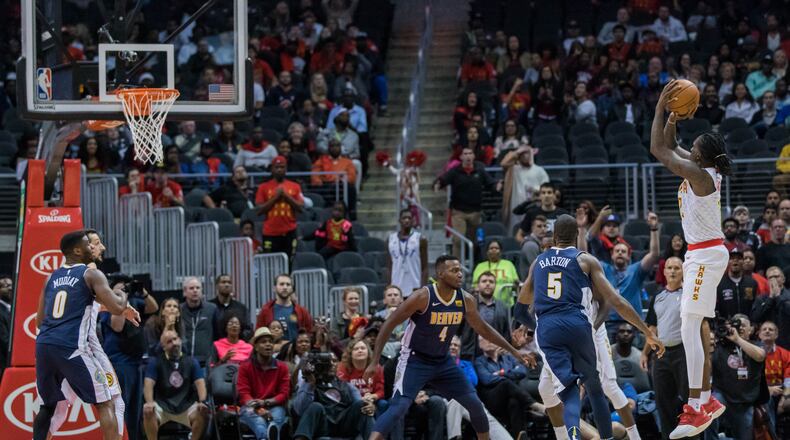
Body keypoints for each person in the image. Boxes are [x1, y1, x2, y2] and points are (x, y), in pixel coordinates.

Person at [514, 215, 664, 440]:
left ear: (554, 237)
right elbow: (617, 301)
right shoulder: (586, 260)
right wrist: (648, 332)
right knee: (594, 389)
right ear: (576, 236)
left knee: (568, 391)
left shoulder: (539, 262)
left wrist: (537, 327)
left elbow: (519, 310)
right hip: (579, 326)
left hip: (551, 328)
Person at [365, 255, 534, 440]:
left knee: (475, 404)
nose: (460, 274)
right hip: (415, 359)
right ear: (440, 274)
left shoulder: (466, 299)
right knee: (399, 407)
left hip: (442, 361)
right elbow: (389, 324)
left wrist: (513, 351)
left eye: (461, 270)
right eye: (454, 270)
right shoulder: (423, 297)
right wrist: (374, 361)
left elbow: (483, 328)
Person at [649, 79, 732, 438]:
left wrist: (658, 107)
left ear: (700, 156)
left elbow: (658, 150)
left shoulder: (699, 175)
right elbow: (670, 144)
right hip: (702, 254)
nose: (690, 145)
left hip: (705, 255)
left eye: (694, 145)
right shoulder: (701, 167)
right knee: (690, 326)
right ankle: (704, 401)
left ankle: (699, 405)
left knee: (688, 327)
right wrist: (672, 118)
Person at [33, 231, 136, 440]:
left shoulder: (50, 278)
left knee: (49, 407)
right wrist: (123, 291)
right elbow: (117, 307)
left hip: (44, 346)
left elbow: (39, 321)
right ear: (78, 250)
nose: (92, 248)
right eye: (89, 245)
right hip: (73, 347)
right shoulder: (91, 274)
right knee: (106, 401)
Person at [643, 256, 689, 439]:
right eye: (669, 267)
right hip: (661, 354)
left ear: (683, 271)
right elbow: (652, 328)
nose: (672, 271)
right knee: (663, 402)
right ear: (664, 271)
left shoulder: (688, 295)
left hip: (683, 352)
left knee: (688, 401)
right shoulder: (658, 297)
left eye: (677, 268)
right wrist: (645, 353)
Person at [143, 330, 209, 440]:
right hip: (162, 405)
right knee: (148, 411)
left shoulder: (192, 362)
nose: (174, 343)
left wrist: (202, 401)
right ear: (163, 347)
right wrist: (149, 403)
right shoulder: (155, 362)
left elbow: (200, 383)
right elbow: (148, 384)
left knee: (202, 412)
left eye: (175, 339)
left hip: (186, 405)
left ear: (180, 340)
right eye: (169, 341)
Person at [292, 352, 374, 439]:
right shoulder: (309, 384)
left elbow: (359, 403)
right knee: (315, 406)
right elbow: (299, 410)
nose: (331, 364)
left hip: (345, 425)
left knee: (363, 405)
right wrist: (310, 384)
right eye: (327, 362)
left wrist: (369, 406)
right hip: (323, 426)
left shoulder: (347, 385)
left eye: (334, 361)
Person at [709, 314, 766, 440]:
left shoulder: (757, 344)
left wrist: (737, 340)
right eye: (736, 324)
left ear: (751, 329)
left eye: (743, 325)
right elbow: (708, 369)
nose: (739, 327)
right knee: (709, 411)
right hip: (723, 396)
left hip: (744, 402)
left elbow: (760, 356)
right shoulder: (721, 345)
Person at [237, 327, 291, 440]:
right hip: (250, 406)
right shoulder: (245, 367)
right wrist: (259, 409)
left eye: (270, 341)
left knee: (274, 421)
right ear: (256, 347)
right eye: (263, 342)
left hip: (274, 406)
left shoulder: (282, 367)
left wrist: (266, 403)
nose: (268, 344)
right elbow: (244, 393)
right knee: (259, 422)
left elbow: (284, 393)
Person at [255, 156, 304, 256]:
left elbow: (300, 208)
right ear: (272, 169)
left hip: (289, 232)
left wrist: (286, 196)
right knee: (270, 264)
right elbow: (259, 210)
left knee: (289, 264)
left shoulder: (295, 186)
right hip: (270, 232)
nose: (279, 170)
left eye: (282, 167)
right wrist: (276, 197)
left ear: (286, 169)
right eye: (276, 167)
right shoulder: (263, 187)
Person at [458, 272, 512, 360]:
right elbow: (458, 331)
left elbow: (506, 334)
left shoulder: (502, 307)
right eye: (484, 281)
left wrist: (504, 348)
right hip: (471, 355)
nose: (488, 284)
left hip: (495, 357)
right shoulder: (468, 304)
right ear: (477, 286)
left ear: (495, 285)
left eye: (491, 282)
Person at [500, 145, 549, 232]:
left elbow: (546, 189)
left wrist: (535, 189)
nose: (525, 156)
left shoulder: (539, 170)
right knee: (515, 232)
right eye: (522, 154)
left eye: (527, 153)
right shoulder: (514, 169)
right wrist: (517, 151)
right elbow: (503, 163)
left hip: (535, 207)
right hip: (516, 208)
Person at [256, 274, 313, 342]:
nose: (285, 287)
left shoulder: (302, 311)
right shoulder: (266, 311)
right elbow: (258, 335)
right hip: (272, 351)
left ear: (292, 289)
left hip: (295, 351)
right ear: (274, 288)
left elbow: (309, 334)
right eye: (281, 284)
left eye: (288, 284)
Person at [338, 339, 386, 416]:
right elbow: (343, 390)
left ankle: (380, 427)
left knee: (383, 404)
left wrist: (372, 397)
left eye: (363, 348)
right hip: (352, 401)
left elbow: (381, 390)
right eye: (356, 349)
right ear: (350, 354)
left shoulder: (376, 367)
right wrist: (362, 400)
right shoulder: (343, 367)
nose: (360, 350)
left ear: (368, 352)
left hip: (371, 400)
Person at [387, 209, 428, 298]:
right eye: (404, 218)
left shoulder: (420, 239)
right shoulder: (390, 239)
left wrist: (423, 287)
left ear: (413, 220)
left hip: (415, 286)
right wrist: (388, 286)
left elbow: (425, 267)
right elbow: (389, 265)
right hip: (396, 286)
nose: (406, 220)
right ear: (399, 220)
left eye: (409, 218)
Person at [179, 277, 219, 366]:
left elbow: (217, 334)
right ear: (185, 292)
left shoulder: (212, 309)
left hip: (206, 361)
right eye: (191, 288)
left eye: (198, 288)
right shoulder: (179, 310)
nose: (195, 291)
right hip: (183, 359)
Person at [757, 321, 790, 427]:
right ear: (759, 334)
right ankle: (772, 436)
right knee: (767, 398)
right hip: (760, 390)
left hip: (782, 390)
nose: (767, 331)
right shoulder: (752, 352)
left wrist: (784, 398)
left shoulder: (785, 354)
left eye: (771, 329)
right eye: (764, 329)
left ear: (776, 335)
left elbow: (789, 379)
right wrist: (768, 390)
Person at [751, 267, 790, 349]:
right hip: (767, 342)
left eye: (776, 276)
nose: (773, 280)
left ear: (783, 279)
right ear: (767, 281)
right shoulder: (761, 298)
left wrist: (778, 297)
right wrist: (770, 298)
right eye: (770, 277)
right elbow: (755, 317)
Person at [472, 240, 519, 306]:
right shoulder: (480, 266)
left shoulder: (509, 264)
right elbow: (475, 286)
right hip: (484, 305)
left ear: (501, 252)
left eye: (496, 248)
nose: (494, 250)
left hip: (507, 306)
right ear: (487, 252)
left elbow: (516, 283)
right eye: (491, 248)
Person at [715, 250, 759, 319]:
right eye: (732, 258)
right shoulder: (719, 283)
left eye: (739, 258)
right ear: (727, 262)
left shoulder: (752, 283)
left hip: (748, 325)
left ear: (743, 262)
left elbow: (756, 306)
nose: (735, 260)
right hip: (726, 325)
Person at [209, 274, 252, 339]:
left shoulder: (241, 308)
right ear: (217, 286)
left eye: (229, 282)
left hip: (236, 346)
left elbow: (248, 329)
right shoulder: (209, 307)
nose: (227, 285)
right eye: (223, 282)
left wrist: (237, 341)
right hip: (214, 346)